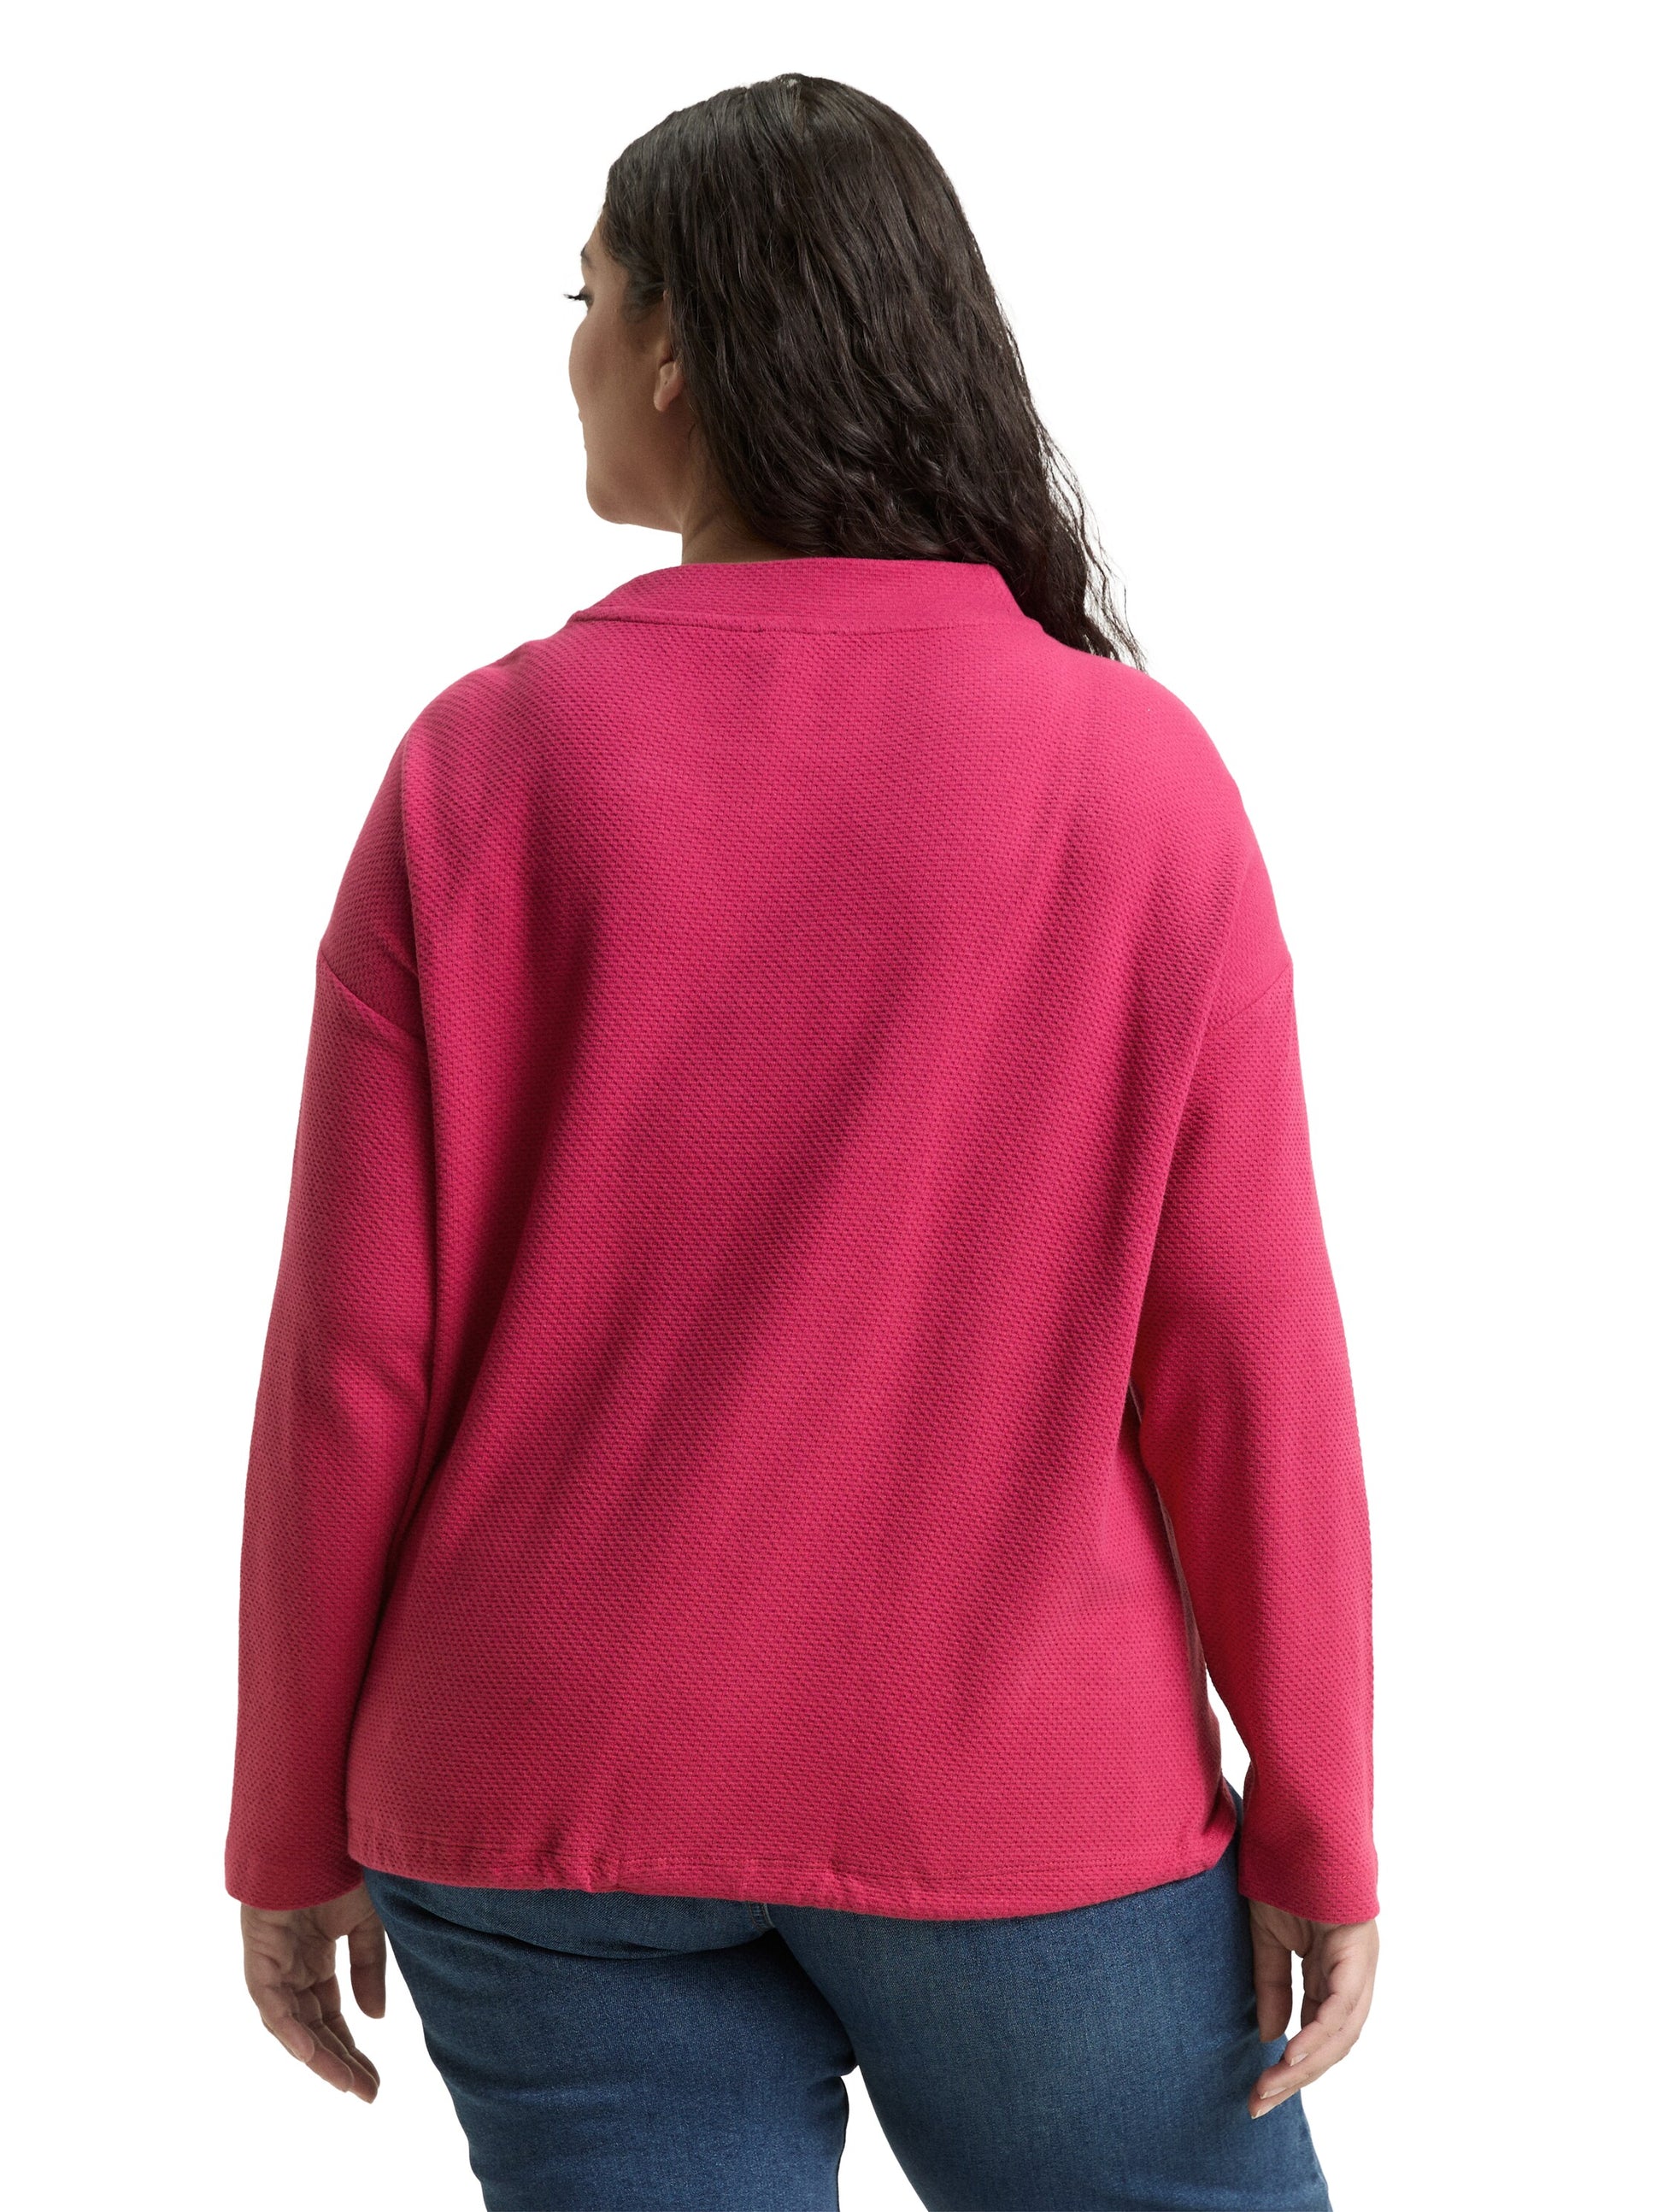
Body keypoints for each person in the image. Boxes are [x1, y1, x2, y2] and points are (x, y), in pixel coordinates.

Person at [226, 73, 1379, 2212]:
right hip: (1018, 1800)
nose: (574, 352)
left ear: (673, 341)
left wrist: (285, 1814)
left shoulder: (479, 769)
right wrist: (1315, 1807)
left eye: (586, 298)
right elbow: (1242, 1356)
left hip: (539, 1784)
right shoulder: (1136, 782)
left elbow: (350, 1365)